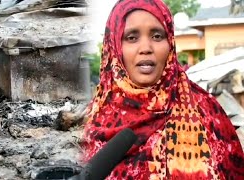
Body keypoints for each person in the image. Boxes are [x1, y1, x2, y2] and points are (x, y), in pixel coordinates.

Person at [82, 0, 244, 179]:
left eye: (157, 36)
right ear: (114, 47)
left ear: (171, 44)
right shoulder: (89, 122)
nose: (146, 48)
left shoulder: (208, 113)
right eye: (131, 37)